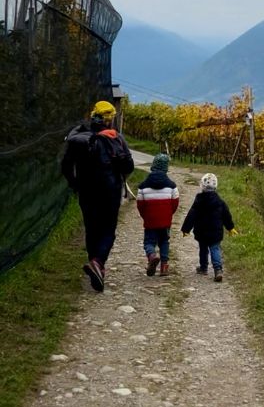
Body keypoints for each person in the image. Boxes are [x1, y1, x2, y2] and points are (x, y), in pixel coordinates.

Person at [61, 100, 134, 292]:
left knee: (92, 228)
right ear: (110, 119)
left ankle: (96, 266)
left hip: (86, 190)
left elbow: (66, 164)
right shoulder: (115, 138)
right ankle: (98, 262)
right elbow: (128, 167)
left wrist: (74, 183)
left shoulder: (79, 136)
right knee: (108, 230)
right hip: (109, 191)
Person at [181, 172, 237, 282]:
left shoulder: (198, 201)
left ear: (202, 186)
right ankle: (218, 269)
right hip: (215, 232)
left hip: (201, 231)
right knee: (215, 248)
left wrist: (186, 229)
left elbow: (191, 215)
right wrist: (230, 227)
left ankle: (203, 268)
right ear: (216, 186)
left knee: (203, 249)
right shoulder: (220, 202)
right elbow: (226, 215)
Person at [136, 153, 179, 276]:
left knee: (149, 242)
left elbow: (140, 205)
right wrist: (169, 214)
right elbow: (175, 203)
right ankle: (164, 266)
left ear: (153, 166)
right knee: (164, 241)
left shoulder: (143, 186)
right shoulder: (172, 186)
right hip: (165, 221)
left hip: (150, 221)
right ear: (166, 168)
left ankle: (152, 255)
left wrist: (146, 216)